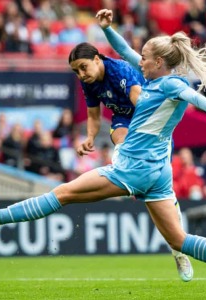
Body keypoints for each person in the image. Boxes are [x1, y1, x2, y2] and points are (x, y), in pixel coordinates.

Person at [0, 9, 206, 298]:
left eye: (145, 59)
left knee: (63, 193)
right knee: (179, 240)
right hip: (158, 171)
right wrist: (107, 29)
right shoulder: (155, 79)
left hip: (134, 168)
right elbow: (124, 51)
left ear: (159, 62)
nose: (140, 62)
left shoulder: (170, 84)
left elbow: (192, 96)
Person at [69, 41, 194, 281]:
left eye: (83, 67)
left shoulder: (121, 71)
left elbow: (143, 105)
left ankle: (178, 250)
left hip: (150, 125)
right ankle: (130, 176)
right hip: (123, 122)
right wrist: (90, 137)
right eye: (76, 71)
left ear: (97, 59)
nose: (81, 75)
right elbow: (94, 116)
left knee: (160, 198)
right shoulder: (89, 82)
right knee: (123, 143)